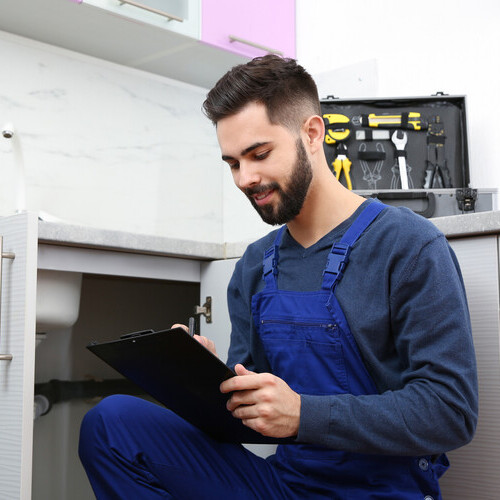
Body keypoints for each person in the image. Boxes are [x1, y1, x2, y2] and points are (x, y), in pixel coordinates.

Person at [79, 55, 478, 499]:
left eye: (259, 154)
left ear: (311, 133)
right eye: (232, 163)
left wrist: (303, 414)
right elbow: (248, 419)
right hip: (287, 487)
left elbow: (450, 412)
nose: (245, 178)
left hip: (384, 492)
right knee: (111, 423)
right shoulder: (255, 265)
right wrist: (202, 379)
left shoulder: (408, 245)